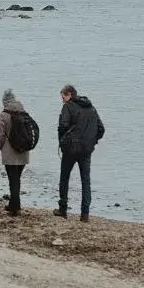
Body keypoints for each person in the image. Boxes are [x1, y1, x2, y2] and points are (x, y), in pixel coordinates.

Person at [54, 84, 105, 221]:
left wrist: (63, 141)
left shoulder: (68, 106)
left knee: (64, 178)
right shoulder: (91, 108)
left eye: (63, 96)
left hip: (70, 149)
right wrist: (92, 141)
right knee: (85, 181)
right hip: (86, 150)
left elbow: (63, 125)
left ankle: (63, 208)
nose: (62, 100)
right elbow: (101, 129)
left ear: (69, 94)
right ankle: (85, 214)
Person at [0, 88, 30, 216]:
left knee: (12, 179)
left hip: (10, 153)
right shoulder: (24, 112)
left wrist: (3, 148)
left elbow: (0, 136)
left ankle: (15, 207)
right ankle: (14, 204)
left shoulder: (3, 115)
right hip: (23, 152)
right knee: (17, 178)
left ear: (4, 102)